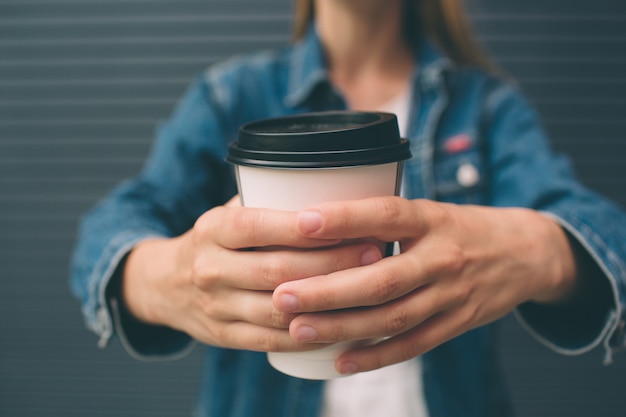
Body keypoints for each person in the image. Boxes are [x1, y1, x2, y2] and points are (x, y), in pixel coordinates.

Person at [70, 0, 626, 416]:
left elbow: (605, 233)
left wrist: (536, 251)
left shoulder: (485, 106)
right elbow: (112, 226)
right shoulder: (231, 96)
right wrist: (166, 277)